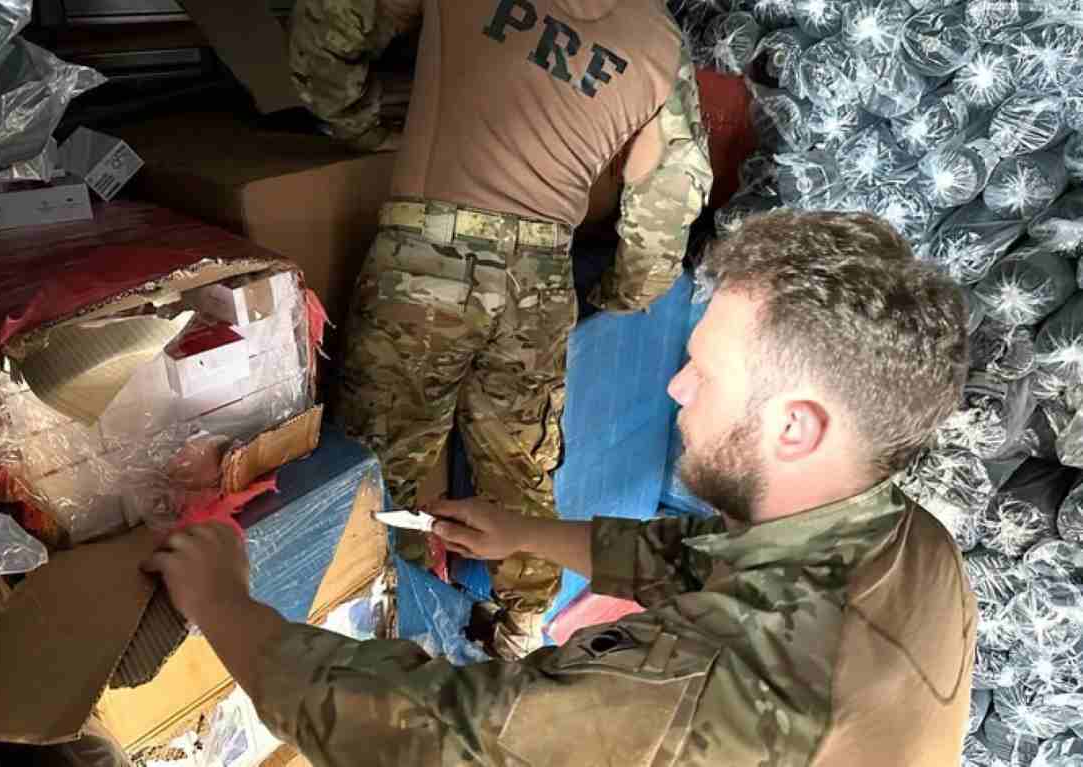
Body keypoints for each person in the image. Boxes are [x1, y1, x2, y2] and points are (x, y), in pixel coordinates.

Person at [145, 211, 978, 766]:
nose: (677, 386)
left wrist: (222, 601)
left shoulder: (705, 688)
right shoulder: (909, 542)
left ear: (795, 426)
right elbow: (707, 557)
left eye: (706, 373)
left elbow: (422, 734)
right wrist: (525, 533)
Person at [287, 0, 714, 659]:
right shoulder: (659, 42)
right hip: (540, 279)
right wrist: (619, 291)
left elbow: (332, 24)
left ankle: (397, 624)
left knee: (381, 463)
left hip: (424, 258)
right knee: (520, 467)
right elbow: (669, 202)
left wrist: (357, 121)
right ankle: (520, 632)